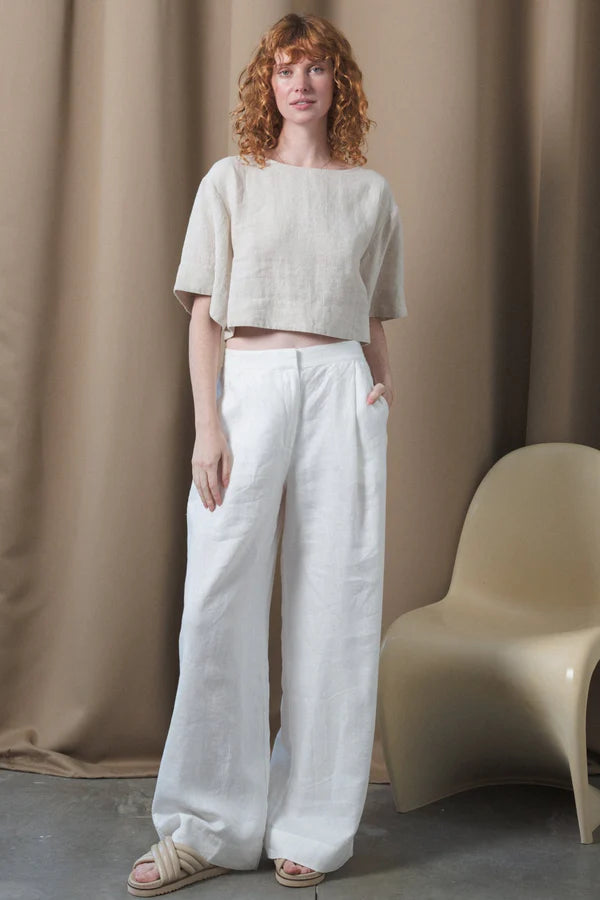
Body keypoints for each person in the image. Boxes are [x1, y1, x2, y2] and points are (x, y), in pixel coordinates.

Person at [126, 11, 407, 897]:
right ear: (268, 84)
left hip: (340, 387)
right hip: (247, 386)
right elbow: (204, 315)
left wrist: (379, 389)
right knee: (218, 597)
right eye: (287, 69)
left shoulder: (371, 194)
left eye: (317, 69)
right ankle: (205, 827)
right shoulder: (231, 181)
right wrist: (208, 424)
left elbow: (373, 313)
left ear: (338, 85)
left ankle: (314, 826)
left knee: (338, 599)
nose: (301, 84)